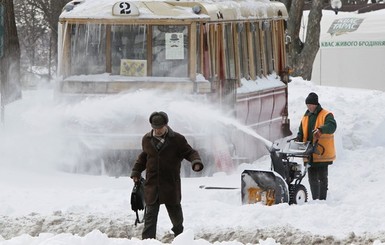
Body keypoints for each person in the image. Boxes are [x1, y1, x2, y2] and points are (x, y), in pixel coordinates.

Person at [130, 111, 204, 239]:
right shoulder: (146, 139)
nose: (158, 131)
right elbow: (143, 157)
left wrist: (195, 162)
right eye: (155, 128)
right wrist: (136, 171)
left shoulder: (177, 139)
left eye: (160, 128)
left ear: (166, 125)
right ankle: (148, 240)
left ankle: (180, 237)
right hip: (152, 184)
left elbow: (190, 152)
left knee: (176, 216)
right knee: (150, 216)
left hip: (170, 183)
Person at [296, 92, 337, 200]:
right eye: (307, 105)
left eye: (310, 105)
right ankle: (315, 200)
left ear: (316, 104)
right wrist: (298, 138)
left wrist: (321, 130)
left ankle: (322, 200)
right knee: (312, 178)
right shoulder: (305, 116)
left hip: (321, 153)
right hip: (309, 153)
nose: (309, 107)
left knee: (322, 177)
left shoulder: (326, 115)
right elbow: (301, 131)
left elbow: (332, 126)